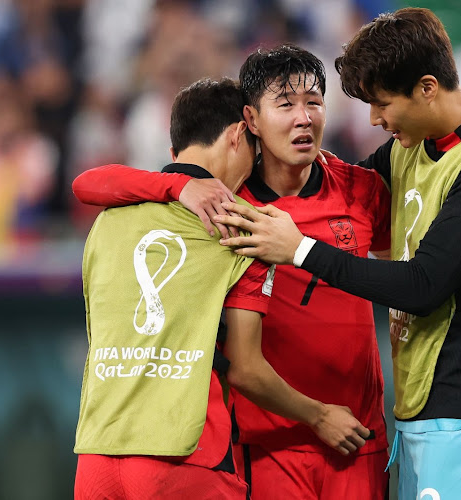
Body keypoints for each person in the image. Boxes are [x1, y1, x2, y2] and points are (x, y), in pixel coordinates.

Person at [211, 8, 461, 500]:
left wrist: (301, 250)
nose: (374, 119)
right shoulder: (411, 146)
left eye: (382, 103)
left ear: (427, 88)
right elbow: (332, 189)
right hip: (423, 411)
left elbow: (423, 286)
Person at [71, 45, 391, 500]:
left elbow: (409, 269)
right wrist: (181, 184)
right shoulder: (226, 211)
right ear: (250, 122)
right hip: (266, 448)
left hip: (357, 441)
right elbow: (89, 183)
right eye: (286, 104)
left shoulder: (360, 190)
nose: (304, 117)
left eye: (314, 102)